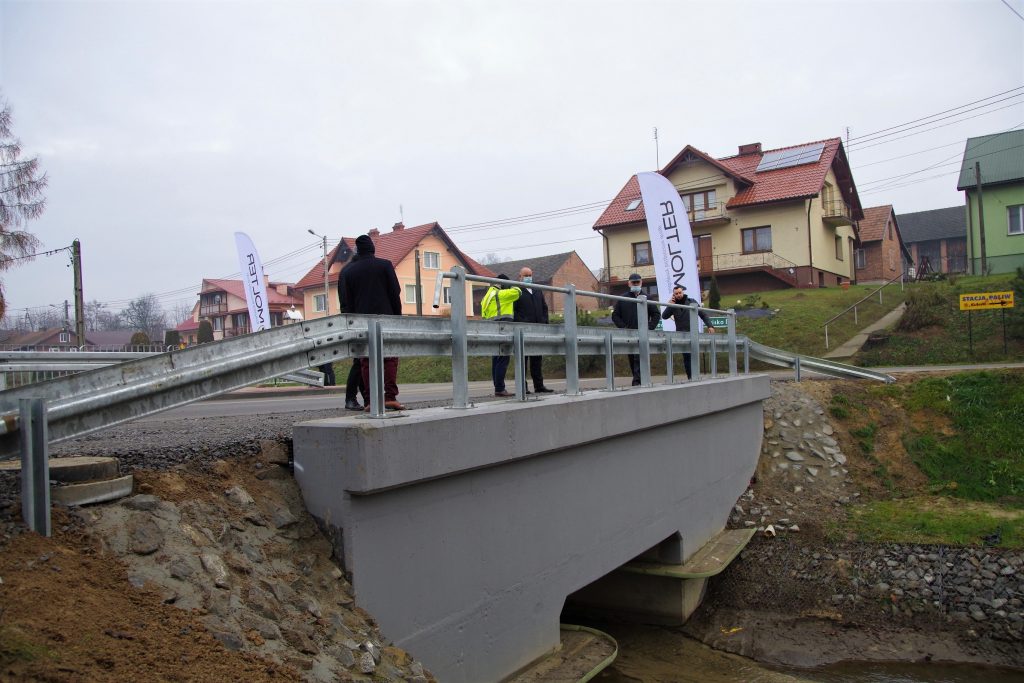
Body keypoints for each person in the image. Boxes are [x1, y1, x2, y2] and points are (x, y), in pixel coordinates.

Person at [338, 234, 405, 411]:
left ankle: (370, 400)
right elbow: (394, 293)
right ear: (373, 248)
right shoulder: (385, 265)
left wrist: (352, 323)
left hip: (362, 322)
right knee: (390, 358)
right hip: (387, 318)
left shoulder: (349, 272)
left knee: (365, 361)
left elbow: (348, 302)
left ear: (358, 251)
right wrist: (397, 317)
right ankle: (390, 397)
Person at [612, 273, 660, 386]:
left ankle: (637, 382)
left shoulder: (648, 298)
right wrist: (623, 327)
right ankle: (638, 379)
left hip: (642, 335)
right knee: (632, 358)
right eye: (633, 282)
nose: (635, 284)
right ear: (629, 283)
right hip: (629, 334)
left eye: (637, 282)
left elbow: (656, 314)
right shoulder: (622, 298)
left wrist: (649, 327)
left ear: (641, 282)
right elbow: (615, 316)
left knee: (639, 357)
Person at [512, 266, 554, 394]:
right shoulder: (516, 291)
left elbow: (544, 308)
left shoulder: (537, 291)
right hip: (523, 331)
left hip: (538, 330)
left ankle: (539, 386)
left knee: (537, 360)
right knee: (522, 361)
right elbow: (513, 311)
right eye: (525, 275)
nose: (528, 278)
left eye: (530, 275)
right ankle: (523, 387)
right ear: (520, 276)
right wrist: (523, 322)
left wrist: (544, 322)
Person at [661, 284, 715, 380]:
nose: (678, 295)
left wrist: (710, 325)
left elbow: (703, 314)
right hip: (681, 335)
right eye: (676, 293)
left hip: (693, 333)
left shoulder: (691, 302)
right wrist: (669, 305)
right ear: (674, 295)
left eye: (680, 292)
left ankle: (696, 376)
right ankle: (690, 377)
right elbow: (664, 316)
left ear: (683, 292)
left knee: (694, 355)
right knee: (686, 357)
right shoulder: (673, 305)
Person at [481, 274, 521, 397]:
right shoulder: (500, 294)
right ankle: (500, 388)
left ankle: (498, 387)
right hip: (503, 327)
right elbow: (518, 292)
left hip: (492, 327)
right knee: (503, 358)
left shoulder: (487, 296)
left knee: (496, 359)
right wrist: (512, 285)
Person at [337, 261, 366, 411]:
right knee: (359, 361)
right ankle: (350, 398)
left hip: (350, 318)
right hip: (356, 319)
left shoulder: (345, 270)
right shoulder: (355, 270)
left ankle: (366, 398)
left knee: (360, 360)